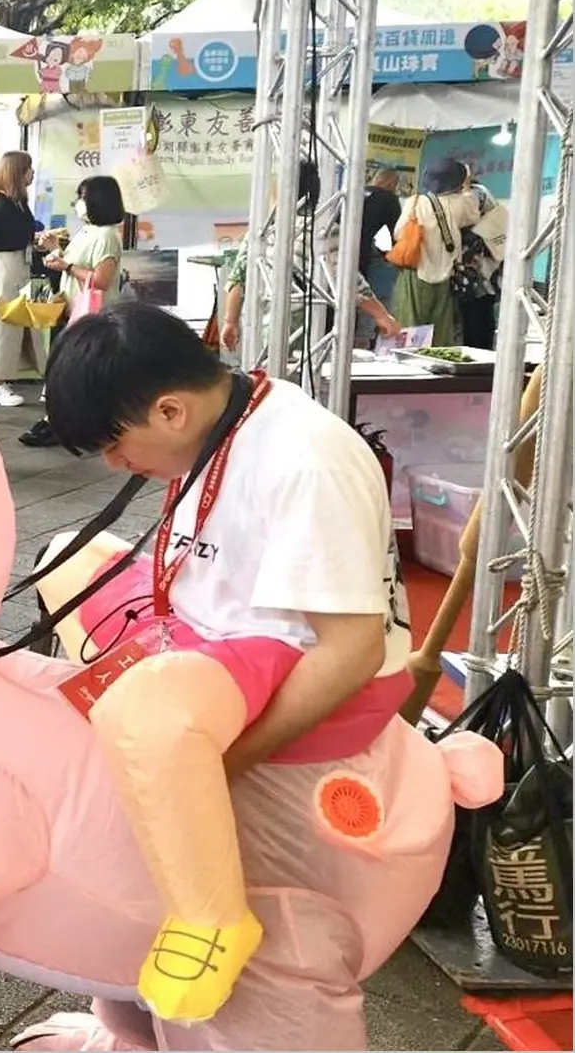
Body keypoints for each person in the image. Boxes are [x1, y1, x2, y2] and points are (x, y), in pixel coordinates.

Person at [42, 302, 413, 1028]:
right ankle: (127, 1020)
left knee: (142, 719)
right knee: (64, 554)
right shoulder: (222, 425)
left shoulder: (306, 459)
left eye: (116, 446)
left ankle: (212, 921)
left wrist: (229, 760)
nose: (117, 466)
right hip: (200, 639)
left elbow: (351, 651)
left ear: (171, 410)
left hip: (272, 681)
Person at [219, 159, 400, 356]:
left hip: (262, 328)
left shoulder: (262, 230)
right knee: (304, 381)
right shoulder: (323, 231)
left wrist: (230, 321)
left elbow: (237, 279)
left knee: (269, 380)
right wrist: (382, 316)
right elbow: (348, 282)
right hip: (305, 331)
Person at [21, 175, 125, 448]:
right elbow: (74, 262)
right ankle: (61, 420)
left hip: (91, 314)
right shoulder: (87, 231)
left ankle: (64, 422)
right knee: (67, 367)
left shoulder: (106, 236)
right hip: (72, 309)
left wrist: (65, 267)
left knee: (79, 369)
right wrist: (57, 253)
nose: (78, 203)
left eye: (83, 197)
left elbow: (100, 280)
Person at [0, 152, 50, 408]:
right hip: (3, 267)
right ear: (17, 172)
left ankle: (13, 378)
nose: (32, 174)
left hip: (18, 266)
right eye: (28, 169)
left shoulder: (18, 203)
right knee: (2, 325)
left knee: (21, 324)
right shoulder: (1, 206)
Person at [392, 157, 483, 347]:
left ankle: (408, 363)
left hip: (415, 272)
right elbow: (474, 214)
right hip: (447, 274)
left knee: (410, 325)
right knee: (441, 328)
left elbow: (398, 233)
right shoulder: (460, 204)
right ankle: (435, 368)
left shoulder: (416, 201)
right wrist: (466, 186)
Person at [360, 167, 404, 304]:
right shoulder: (390, 199)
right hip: (368, 255)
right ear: (391, 184)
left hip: (342, 250)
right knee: (372, 298)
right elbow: (396, 232)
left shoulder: (357, 192)